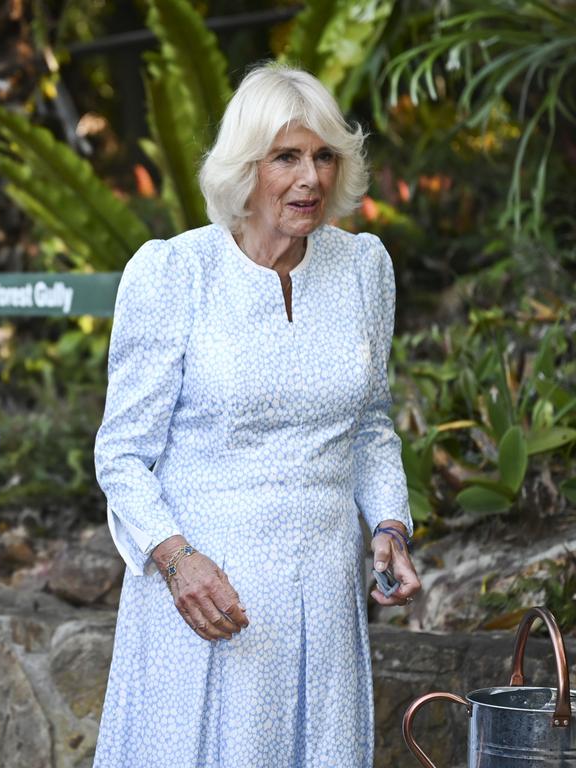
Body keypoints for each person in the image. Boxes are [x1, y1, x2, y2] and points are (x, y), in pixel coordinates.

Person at [92, 62, 422, 767]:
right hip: (205, 601)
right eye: (287, 157)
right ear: (246, 165)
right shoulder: (174, 271)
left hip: (326, 597)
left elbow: (369, 424)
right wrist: (176, 560)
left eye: (324, 156)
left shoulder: (365, 267)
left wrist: (390, 525)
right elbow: (121, 453)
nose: (311, 179)